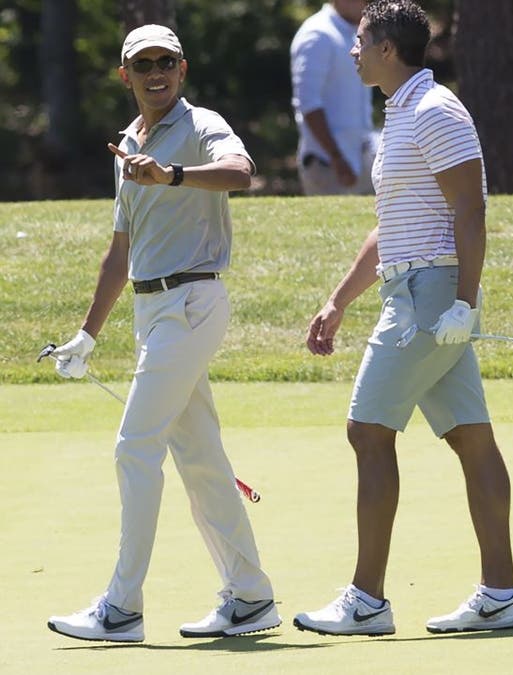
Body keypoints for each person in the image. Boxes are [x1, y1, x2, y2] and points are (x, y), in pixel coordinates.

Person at [293, 0, 513, 636]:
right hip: (412, 290)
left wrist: (465, 302)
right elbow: (391, 224)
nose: (353, 49)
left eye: (362, 40)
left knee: (367, 431)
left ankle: (366, 600)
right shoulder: (400, 114)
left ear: (388, 50)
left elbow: (470, 212)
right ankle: (502, 594)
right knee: (470, 438)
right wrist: (338, 301)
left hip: (432, 297)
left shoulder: (435, 110)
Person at [46, 25, 280, 643]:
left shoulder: (201, 124)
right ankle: (251, 596)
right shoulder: (127, 145)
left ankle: (121, 608)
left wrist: (172, 174)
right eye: (143, 64)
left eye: (166, 62)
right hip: (154, 313)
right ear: (126, 75)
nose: (156, 73)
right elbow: (119, 251)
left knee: (134, 447)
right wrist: (87, 336)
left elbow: (240, 171)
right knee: (200, 458)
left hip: (193, 302)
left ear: (182, 69)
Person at [290, 0, 377, 195]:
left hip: (360, 157)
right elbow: (308, 105)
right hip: (328, 165)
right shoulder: (317, 34)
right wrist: (336, 157)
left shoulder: (357, 32)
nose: (368, 4)